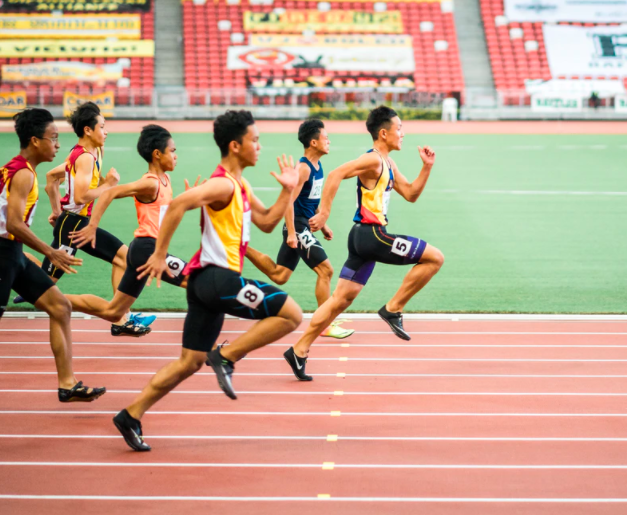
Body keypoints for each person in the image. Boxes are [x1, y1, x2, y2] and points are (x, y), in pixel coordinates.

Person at [113, 110, 302, 452]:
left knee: (190, 362)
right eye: (254, 140)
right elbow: (177, 206)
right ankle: (227, 356)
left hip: (205, 285)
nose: (259, 146)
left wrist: (289, 190)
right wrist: (159, 254)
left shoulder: (240, 184)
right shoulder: (223, 184)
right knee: (292, 315)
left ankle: (130, 414)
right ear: (235, 145)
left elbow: (268, 222)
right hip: (218, 280)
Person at [282, 106, 444, 382]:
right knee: (434, 258)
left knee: (339, 301)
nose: (403, 133)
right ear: (383, 133)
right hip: (372, 236)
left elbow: (411, 194)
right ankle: (393, 309)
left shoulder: (388, 163)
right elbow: (334, 174)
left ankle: (299, 349)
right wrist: (324, 213)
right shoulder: (371, 160)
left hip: (362, 240)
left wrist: (426, 168)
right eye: (399, 128)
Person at [0, 109, 105, 402]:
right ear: (34, 141)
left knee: (61, 307)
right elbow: (13, 222)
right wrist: (50, 251)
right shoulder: (23, 173)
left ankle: (68, 384)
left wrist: (19, 249)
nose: (57, 145)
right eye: (53, 139)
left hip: (11, 253)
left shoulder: (11, 169)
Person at [25, 102, 150, 335]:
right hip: (72, 226)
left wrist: (56, 210)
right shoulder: (83, 157)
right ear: (88, 130)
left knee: (124, 258)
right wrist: (110, 186)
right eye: (102, 126)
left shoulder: (95, 151)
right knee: (44, 286)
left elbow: (52, 177)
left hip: (78, 223)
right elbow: (82, 195)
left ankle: (122, 317)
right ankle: (16, 265)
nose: (106, 131)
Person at [64, 125, 191, 323]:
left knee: (113, 312)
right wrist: (92, 226)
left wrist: (188, 200)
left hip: (141, 250)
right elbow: (109, 192)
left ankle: (48, 298)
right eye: (172, 151)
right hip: (147, 250)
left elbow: (164, 214)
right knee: (197, 281)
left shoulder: (165, 179)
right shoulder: (150, 183)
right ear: (157, 154)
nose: (176, 156)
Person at [245, 119, 354, 339]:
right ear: (313, 142)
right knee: (326, 271)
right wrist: (293, 233)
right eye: (325, 137)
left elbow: (309, 201)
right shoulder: (303, 168)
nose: (329, 141)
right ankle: (324, 324)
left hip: (305, 225)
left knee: (280, 275)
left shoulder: (317, 166)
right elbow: (288, 202)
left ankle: (241, 246)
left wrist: (324, 225)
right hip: (298, 226)